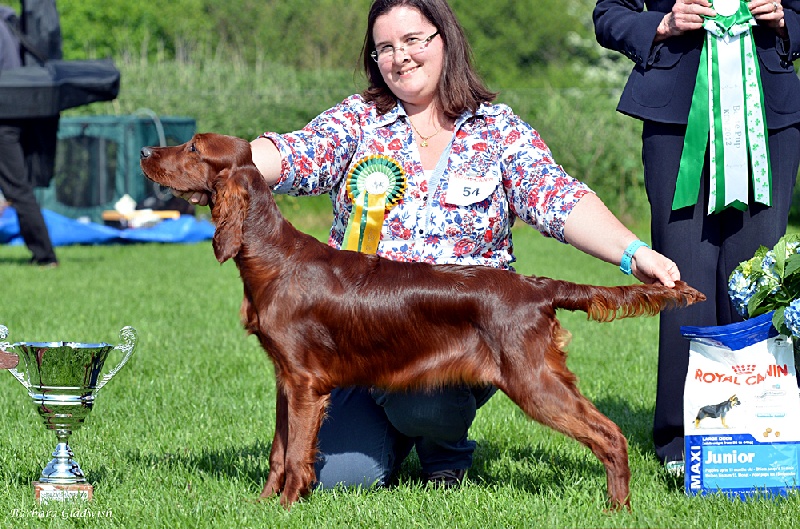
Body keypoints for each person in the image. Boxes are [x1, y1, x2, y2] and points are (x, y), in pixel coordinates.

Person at [184, 0, 681, 489]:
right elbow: (292, 153)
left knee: (426, 404)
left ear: (446, 40)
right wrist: (223, 168)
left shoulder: (497, 129)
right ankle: (394, 431)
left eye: (413, 40)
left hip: (459, 331)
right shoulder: (357, 121)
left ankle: (443, 450)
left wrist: (633, 252)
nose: (399, 57)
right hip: (357, 338)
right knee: (341, 478)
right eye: (385, 48)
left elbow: (558, 198)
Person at [593, 0, 800, 472]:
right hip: (674, 118)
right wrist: (662, 24)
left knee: (760, 279)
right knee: (681, 275)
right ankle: (683, 437)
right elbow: (609, 14)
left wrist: (786, 20)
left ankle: (767, 427)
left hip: (771, 117)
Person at [0, 4, 58, 266]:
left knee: (17, 189)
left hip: (4, 119)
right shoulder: (10, 24)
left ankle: (45, 255)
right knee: (18, 187)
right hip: (18, 113)